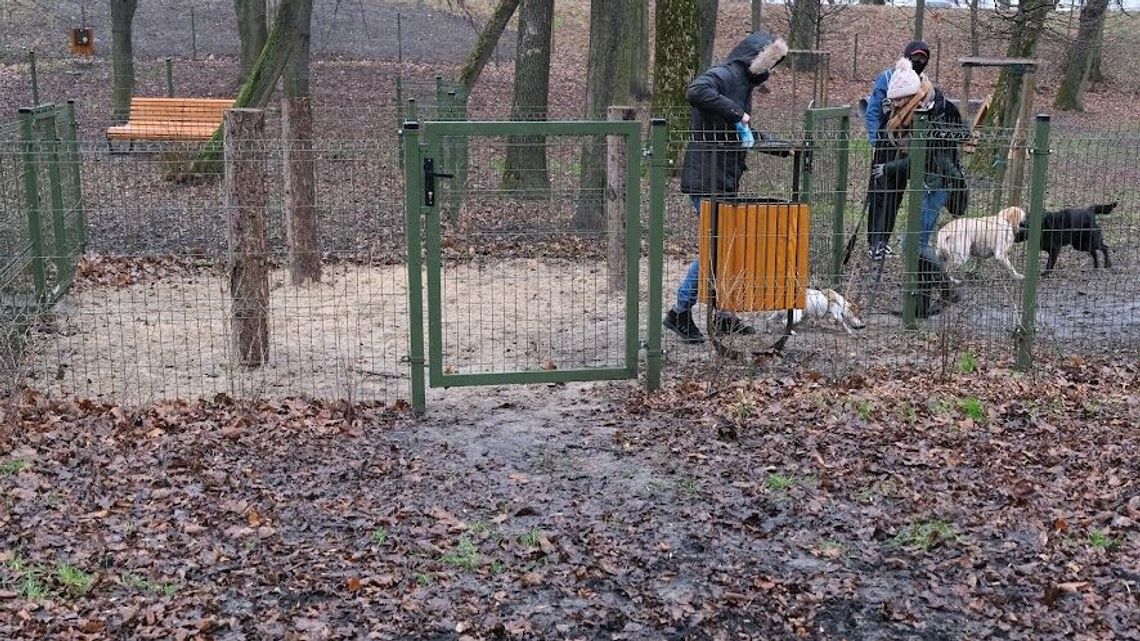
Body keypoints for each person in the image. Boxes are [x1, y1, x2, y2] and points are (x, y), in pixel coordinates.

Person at [663, 31, 789, 344]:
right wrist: (737, 112)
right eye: (768, 63)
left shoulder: (743, 83)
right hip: (706, 178)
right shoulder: (724, 74)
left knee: (727, 245)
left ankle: (722, 315)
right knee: (716, 246)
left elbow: (743, 132)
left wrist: (783, 147)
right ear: (755, 58)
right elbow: (696, 91)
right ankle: (680, 311)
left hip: (723, 179)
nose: (769, 71)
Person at [864, 41, 969, 257]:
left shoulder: (925, 87)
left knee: (896, 197)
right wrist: (876, 141)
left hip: (911, 149)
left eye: (923, 58)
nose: (919, 62)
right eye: (915, 57)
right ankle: (876, 242)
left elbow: (954, 129)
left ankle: (885, 241)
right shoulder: (888, 78)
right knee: (881, 195)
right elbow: (873, 111)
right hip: (888, 144)